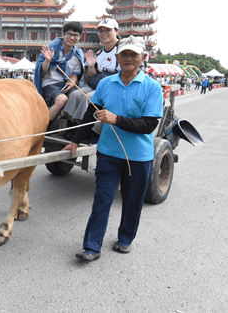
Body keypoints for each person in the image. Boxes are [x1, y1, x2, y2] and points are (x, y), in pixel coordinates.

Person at [63, 36, 163, 262]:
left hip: (138, 157)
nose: (128, 58)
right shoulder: (106, 84)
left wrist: (116, 119)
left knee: (132, 200)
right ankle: (91, 246)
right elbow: (90, 115)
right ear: (117, 58)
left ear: (142, 58)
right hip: (108, 153)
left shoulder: (152, 87)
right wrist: (76, 141)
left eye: (133, 54)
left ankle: (125, 238)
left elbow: (149, 124)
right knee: (102, 199)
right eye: (124, 54)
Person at [65, 19, 120, 122]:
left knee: (88, 98)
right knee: (75, 95)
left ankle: (81, 127)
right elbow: (92, 76)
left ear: (116, 31)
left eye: (107, 30)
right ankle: (70, 122)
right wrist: (90, 66)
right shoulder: (100, 53)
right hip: (99, 85)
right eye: (101, 31)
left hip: (114, 86)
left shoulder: (122, 50)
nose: (103, 34)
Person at [34, 21, 85, 124]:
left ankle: (70, 128)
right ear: (63, 34)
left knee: (79, 96)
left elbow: (75, 75)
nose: (72, 38)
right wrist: (47, 60)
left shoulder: (78, 54)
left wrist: (72, 83)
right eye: (69, 34)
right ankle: (43, 126)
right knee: (62, 100)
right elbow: (41, 72)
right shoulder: (52, 49)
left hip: (65, 84)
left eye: (75, 35)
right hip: (50, 84)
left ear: (79, 37)